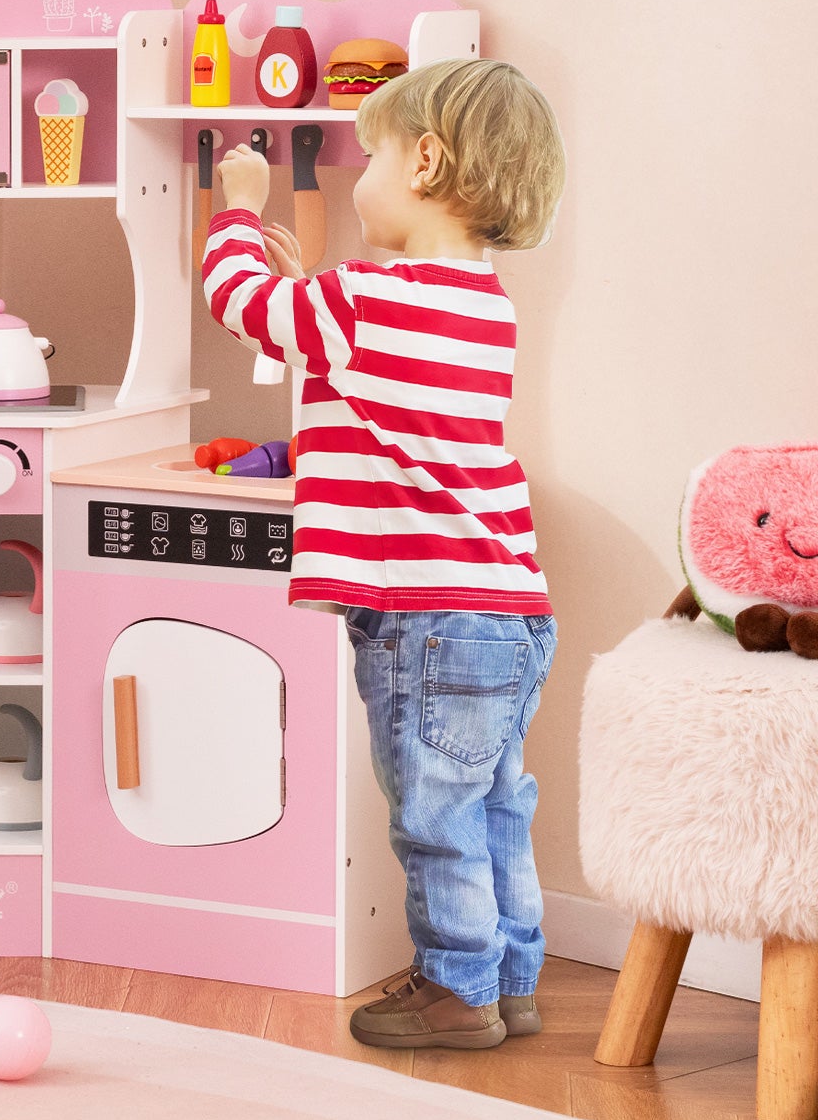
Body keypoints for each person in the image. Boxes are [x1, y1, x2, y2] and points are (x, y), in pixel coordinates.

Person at [203, 57, 566, 1050]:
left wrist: (236, 206)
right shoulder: (483, 307)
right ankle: (511, 978)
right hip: (508, 608)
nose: (358, 179)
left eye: (367, 156)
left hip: (425, 615)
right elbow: (370, 380)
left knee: (431, 815)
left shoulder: (361, 300)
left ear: (425, 161)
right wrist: (306, 294)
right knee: (494, 802)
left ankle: (454, 992)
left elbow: (240, 302)